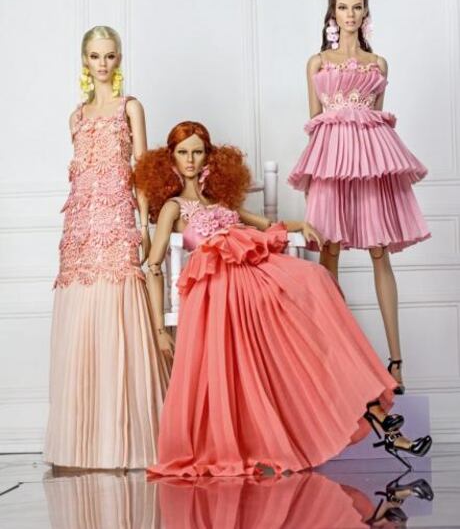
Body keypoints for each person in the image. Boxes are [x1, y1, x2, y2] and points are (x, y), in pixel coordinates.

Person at [134, 121, 431, 477]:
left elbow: (263, 224)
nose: (190, 160)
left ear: (209, 156)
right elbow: (154, 266)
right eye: (183, 153)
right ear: (170, 159)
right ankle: (375, 411)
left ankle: (371, 406)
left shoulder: (220, 201)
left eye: (197, 152)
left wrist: (299, 225)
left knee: (316, 279)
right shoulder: (173, 207)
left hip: (252, 267)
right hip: (218, 281)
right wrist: (159, 329)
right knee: (295, 311)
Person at [288, 0, 430, 394]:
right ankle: (335, 359)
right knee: (328, 252)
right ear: (332, 14)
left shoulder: (378, 64)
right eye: (343, 7)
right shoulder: (317, 62)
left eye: (356, 7)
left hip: (370, 163)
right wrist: (315, 178)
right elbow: (315, 122)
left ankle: (396, 361)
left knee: (379, 252)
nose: (349, 15)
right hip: (331, 164)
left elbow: (377, 120)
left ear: (366, 12)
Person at [44, 26, 170, 469]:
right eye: (95, 56)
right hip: (80, 226)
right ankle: (86, 445)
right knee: (83, 317)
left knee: (121, 309)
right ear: (85, 60)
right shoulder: (76, 117)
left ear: (118, 59)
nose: (102, 63)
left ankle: (129, 440)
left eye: (110, 55)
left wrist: (145, 225)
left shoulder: (130, 107)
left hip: (117, 220)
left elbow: (142, 172)